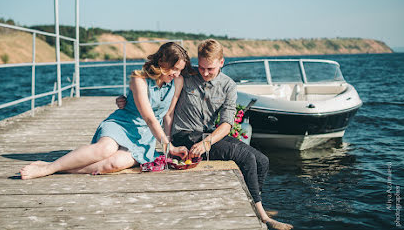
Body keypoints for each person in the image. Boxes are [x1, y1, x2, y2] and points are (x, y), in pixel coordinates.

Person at [117, 39, 293, 230]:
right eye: (201, 68)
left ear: (221, 62)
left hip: (208, 136)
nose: (205, 73)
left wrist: (208, 142)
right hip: (184, 135)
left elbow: (227, 124)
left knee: (263, 161)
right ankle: (263, 216)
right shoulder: (187, 76)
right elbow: (158, 78)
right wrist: (128, 99)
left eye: (210, 68)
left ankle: (255, 202)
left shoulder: (228, 86)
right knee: (246, 157)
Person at [20, 42, 191, 180]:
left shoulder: (178, 81)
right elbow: (149, 118)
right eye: (174, 69)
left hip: (145, 136)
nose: (177, 74)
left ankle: (59, 168)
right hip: (123, 124)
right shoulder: (139, 79)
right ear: (162, 63)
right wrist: (169, 147)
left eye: (180, 70)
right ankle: (49, 168)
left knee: (114, 164)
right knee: (105, 150)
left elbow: (168, 115)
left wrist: (168, 149)